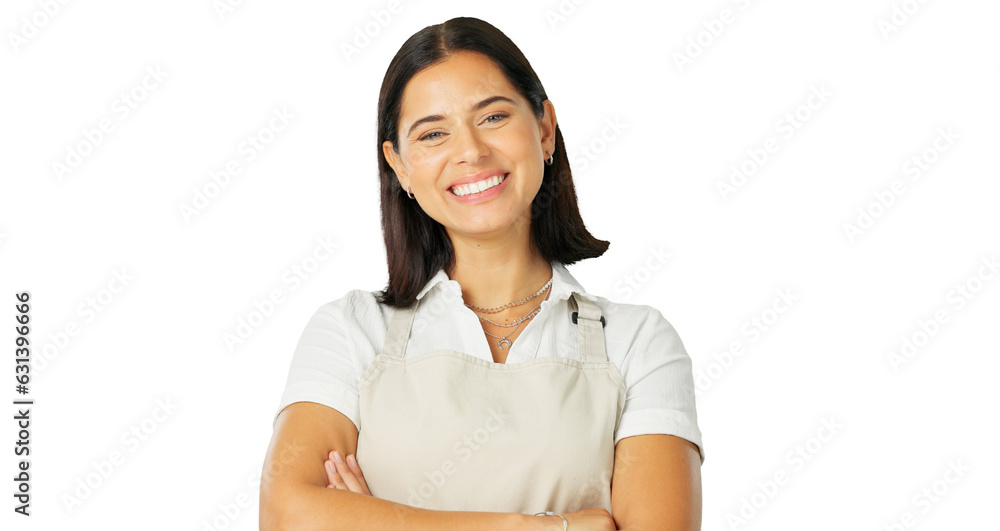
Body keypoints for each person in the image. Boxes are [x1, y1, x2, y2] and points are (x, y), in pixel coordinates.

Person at [260, 16, 703, 531]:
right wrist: (541, 526)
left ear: (543, 128)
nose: (470, 151)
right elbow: (286, 515)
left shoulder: (639, 344)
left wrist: (373, 519)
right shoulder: (350, 331)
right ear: (400, 166)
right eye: (432, 133)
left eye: (492, 117)